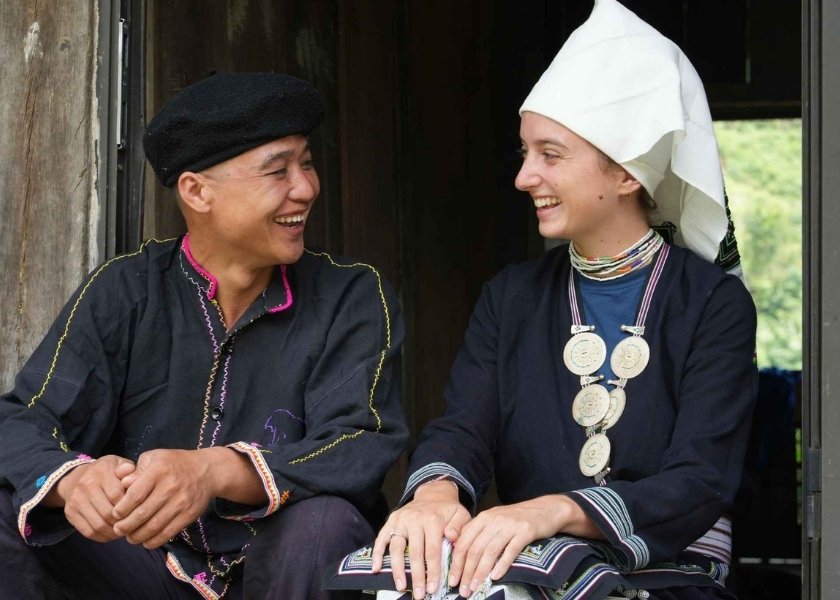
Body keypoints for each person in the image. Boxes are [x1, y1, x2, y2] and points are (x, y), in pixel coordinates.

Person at [366, 1, 757, 599]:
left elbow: (701, 480)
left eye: (550, 155)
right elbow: (464, 428)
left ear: (627, 175)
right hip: (536, 565)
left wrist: (552, 510)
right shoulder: (513, 296)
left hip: (673, 573)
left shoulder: (712, 304)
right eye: (526, 153)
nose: (525, 177)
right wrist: (436, 495)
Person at [0, 73, 408, 599]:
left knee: (323, 525)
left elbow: (360, 443)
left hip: (283, 571)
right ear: (196, 191)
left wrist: (214, 472)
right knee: (15, 504)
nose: (306, 187)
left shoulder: (351, 296)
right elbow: (22, 418)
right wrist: (71, 481)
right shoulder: (126, 290)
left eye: (306, 163)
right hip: (148, 569)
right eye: (277, 169)